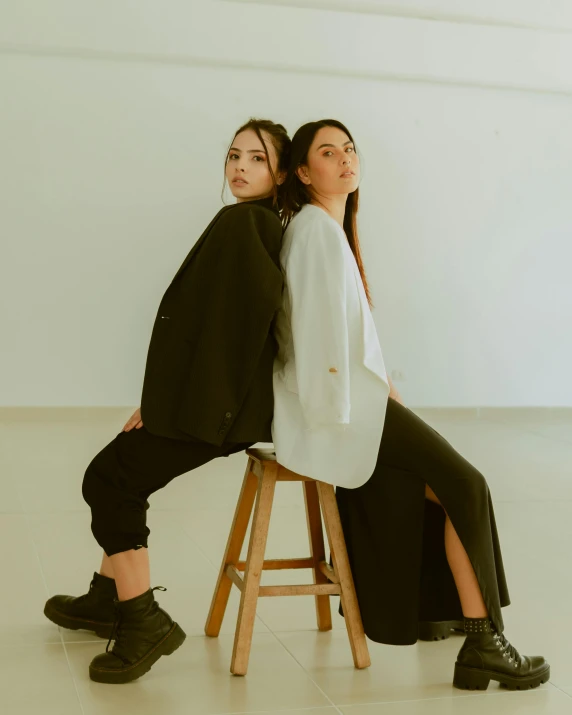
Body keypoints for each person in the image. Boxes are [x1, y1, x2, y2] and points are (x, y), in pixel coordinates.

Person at [271, 118, 550, 691]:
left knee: (448, 492)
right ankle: (484, 641)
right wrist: (366, 409)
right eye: (329, 152)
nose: (346, 159)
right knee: (466, 486)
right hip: (345, 411)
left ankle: (478, 639)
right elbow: (317, 341)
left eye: (350, 149)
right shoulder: (317, 232)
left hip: (356, 403)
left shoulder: (323, 228)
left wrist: (384, 390)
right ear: (303, 171)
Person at [43, 118, 291, 684]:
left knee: (111, 481)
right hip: (208, 403)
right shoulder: (251, 222)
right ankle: (108, 596)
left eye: (256, 158)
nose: (240, 166)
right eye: (234, 155)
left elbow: (232, 334)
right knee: (115, 475)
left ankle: (141, 619)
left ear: (280, 172)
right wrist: (160, 400)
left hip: (215, 409)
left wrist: (173, 406)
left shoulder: (245, 225)